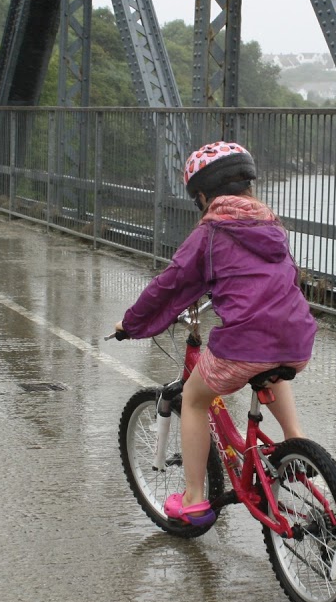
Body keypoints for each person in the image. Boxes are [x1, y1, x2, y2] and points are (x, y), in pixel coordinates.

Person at [115, 141, 316, 527]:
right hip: (296, 336)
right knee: (271, 368)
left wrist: (132, 323)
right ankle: (296, 445)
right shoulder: (272, 226)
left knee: (193, 398)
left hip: (245, 343)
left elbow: (169, 285)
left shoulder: (209, 234)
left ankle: (192, 498)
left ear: (204, 196)